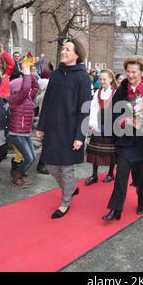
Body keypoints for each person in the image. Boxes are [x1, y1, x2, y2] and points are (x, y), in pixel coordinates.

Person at [102, 55, 143, 221]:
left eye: (134, 72)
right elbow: (112, 114)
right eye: (128, 71)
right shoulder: (122, 90)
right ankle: (115, 208)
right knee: (121, 173)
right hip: (127, 141)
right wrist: (124, 121)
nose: (130, 75)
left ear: (142, 72)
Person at [37, 38, 92, 219]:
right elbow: (47, 102)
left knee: (66, 169)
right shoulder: (56, 74)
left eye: (68, 49)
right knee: (51, 165)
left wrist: (80, 136)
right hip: (53, 129)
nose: (63, 51)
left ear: (77, 55)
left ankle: (65, 202)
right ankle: (71, 188)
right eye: (63, 48)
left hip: (70, 130)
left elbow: (85, 109)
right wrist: (41, 125)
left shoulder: (82, 77)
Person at [7, 61, 39, 188]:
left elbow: (35, 88)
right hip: (16, 133)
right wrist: (25, 74)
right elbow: (26, 89)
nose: (29, 88)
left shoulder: (27, 97)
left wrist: (30, 75)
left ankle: (18, 174)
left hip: (24, 133)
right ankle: (16, 176)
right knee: (29, 158)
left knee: (33, 157)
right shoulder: (15, 98)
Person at [85, 70, 118, 185]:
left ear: (110, 79)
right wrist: (92, 123)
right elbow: (94, 108)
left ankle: (110, 174)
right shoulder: (97, 92)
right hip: (99, 121)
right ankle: (94, 175)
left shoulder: (115, 93)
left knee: (111, 151)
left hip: (111, 123)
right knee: (96, 150)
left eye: (104, 79)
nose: (102, 81)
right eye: (101, 79)